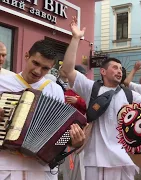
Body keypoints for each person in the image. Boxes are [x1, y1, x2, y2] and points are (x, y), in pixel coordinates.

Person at [60, 17, 141, 180]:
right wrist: (76, 38)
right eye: (115, 67)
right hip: (96, 159)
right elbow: (68, 70)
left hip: (124, 160)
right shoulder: (91, 88)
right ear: (103, 72)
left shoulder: (129, 94)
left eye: (121, 68)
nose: (119, 71)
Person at [0, 39, 86, 180]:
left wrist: (73, 141)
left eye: (45, 68)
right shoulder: (3, 82)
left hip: (41, 169)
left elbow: (59, 132)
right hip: (6, 166)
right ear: (27, 56)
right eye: (35, 63)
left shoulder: (55, 90)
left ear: (51, 68)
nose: (38, 71)